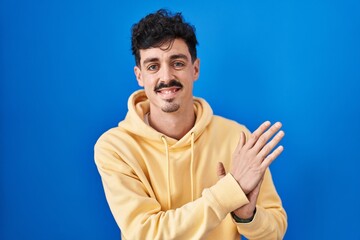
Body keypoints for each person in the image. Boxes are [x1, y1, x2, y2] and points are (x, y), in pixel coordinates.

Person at [94, 9, 287, 240]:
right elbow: (144, 234)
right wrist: (229, 192)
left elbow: (275, 231)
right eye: (153, 66)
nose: (166, 77)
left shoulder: (237, 138)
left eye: (177, 63)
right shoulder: (115, 147)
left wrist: (247, 216)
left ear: (195, 69)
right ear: (139, 76)